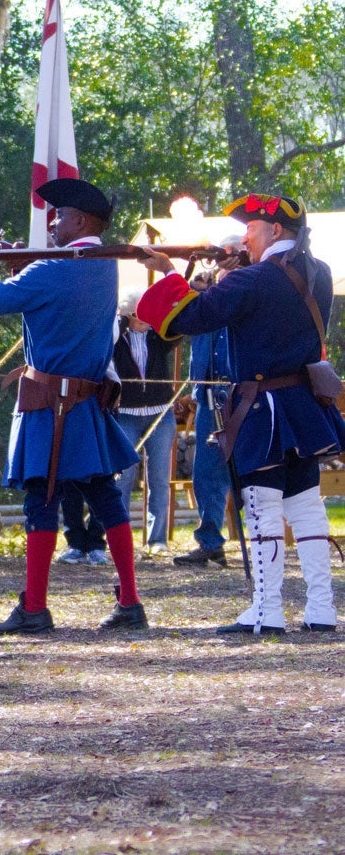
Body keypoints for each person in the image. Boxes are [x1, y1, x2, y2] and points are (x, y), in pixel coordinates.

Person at [0, 178, 146, 634]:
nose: (51, 222)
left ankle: (34, 607)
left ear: (82, 221)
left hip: (50, 404)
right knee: (105, 499)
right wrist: (25, 264)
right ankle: (129, 601)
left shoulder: (51, 270)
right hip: (85, 403)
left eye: (60, 216)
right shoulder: (103, 263)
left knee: (41, 500)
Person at [137, 193, 344, 633]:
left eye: (252, 227)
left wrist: (169, 272)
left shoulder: (253, 279)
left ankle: (268, 611)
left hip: (263, 406)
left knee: (262, 507)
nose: (246, 234)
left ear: (276, 231)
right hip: (302, 402)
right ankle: (321, 609)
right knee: (306, 505)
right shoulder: (318, 273)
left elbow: (189, 318)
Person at [172, 265, 234, 568]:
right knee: (206, 473)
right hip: (209, 396)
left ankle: (267, 540)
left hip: (242, 395)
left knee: (256, 473)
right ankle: (210, 542)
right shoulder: (201, 298)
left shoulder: (246, 289)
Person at [112, 287, 180, 554]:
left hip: (160, 414)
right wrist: (121, 318)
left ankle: (157, 539)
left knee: (159, 479)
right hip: (126, 415)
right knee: (123, 479)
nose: (145, 319)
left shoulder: (159, 337)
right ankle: (121, 537)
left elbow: (178, 329)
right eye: (139, 313)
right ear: (128, 314)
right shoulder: (117, 337)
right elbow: (107, 337)